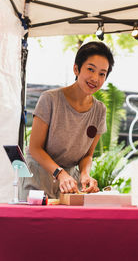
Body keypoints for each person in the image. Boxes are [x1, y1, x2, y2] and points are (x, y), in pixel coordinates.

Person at [19, 41, 114, 200]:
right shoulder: (50, 99)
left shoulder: (99, 110)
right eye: (90, 69)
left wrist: (84, 175)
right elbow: (35, 148)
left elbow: (87, 155)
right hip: (38, 175)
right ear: (76, 69)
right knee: (36, 223)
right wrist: (60, 173)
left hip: (69, 182)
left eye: (102, 73)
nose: (95, 78)